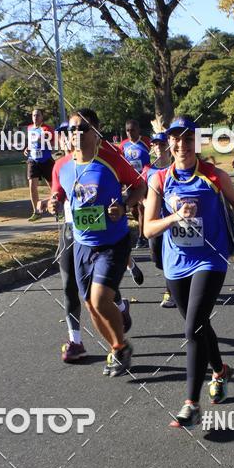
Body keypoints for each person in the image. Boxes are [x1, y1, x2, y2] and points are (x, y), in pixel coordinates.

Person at [144, 115, 234, 428]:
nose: (182, 145)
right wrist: (174, 217)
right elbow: (148, 227)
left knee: (192, 328)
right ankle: (219, 370)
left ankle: (191, 403)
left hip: (211, 258)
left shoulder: (214, 175)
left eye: (188, 139)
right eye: (176, 139)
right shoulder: (159, 180)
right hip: (175, 262)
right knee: (199, 324)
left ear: (197, 142)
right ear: (169, 143)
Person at [49, 108, 146, 377]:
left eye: (82, 129)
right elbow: (58, 194)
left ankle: (120, 344)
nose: (76, 134)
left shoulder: (112, 159)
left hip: (114, 241)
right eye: (72, 130)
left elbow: (140, 186)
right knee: (91, 305)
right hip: (82, 243)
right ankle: (118, 347)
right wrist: (52, 202)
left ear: (96, 132)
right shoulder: (61, 166)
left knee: (100, 299)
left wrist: (125, 204)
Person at [143, 130, 175, 307]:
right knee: (157, 258)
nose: (158, 148)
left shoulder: (175, 168)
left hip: (173, 221)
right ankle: (176, 282)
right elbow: (140, 191)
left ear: (169, 147)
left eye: (162, 144)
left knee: (171, 255)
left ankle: (170, 292)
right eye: (155, 145)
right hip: (155, 222)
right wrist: (146, 201)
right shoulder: (148, 170)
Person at [119, 119, 151, 247]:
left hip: (145, 180)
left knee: (142, 208)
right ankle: (143, 227)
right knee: (133, 210)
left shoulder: (146, 142)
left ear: (138, 130)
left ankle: (142, 237)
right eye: (127, 130)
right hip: (130, 182)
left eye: (132, 130)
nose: (130, 133)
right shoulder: (123, 145)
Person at [24, 107, 55, 221]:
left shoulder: (46, 129)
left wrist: (44, 140)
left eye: (38, 115)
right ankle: (36, 212)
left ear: (42, 117)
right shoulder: (30, 128)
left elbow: (53, 144)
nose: (35, 117)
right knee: (32, 187)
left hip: (46, 160)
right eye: (33, 115)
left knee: (53, 187)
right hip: (33, 160)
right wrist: (27, 148)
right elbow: (32, 143)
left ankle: (58, 210)